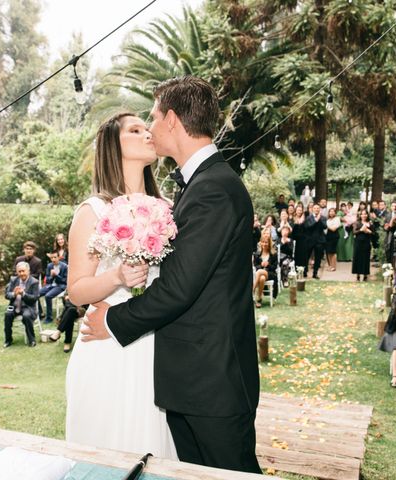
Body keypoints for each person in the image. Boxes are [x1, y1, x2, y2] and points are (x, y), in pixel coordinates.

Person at [81, 77, 261, 473]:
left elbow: (180, 287)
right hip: (192, 381)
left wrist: (111, 320)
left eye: (154, 116)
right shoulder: (199, 184)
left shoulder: (213, 188)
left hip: (214, 382)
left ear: (173, 121)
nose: (151, 126)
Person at [62, 111, 178, 460]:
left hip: (158, 347)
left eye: (148, 127)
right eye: (135, 130)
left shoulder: (169, 209)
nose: (147, 134)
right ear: (113, 145)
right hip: (107, 347)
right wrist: (116, 276)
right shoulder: (93, 211)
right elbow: (77, 290)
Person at [3, 261, 40, 348]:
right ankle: (8, 340)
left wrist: (23, 294)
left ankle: (32, 340)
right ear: (17, 272)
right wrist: (14, 294)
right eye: (19, 271)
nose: (21, 273)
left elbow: (35, 298)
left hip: (28, 306)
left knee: (27, 316)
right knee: (7, 314)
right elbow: (7, 295)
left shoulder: (34, 282)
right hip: (14, 305)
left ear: (28, 271)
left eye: (23, 271)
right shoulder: (13, 280)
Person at [39, 251, 68, 323]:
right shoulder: (49, 266)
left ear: (59, 257)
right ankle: (40, 314)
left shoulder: (64, 266)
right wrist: (51, 276)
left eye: (55, 257)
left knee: (48, 296)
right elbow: (48, 280)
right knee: (36, 294)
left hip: (60, 286)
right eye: (51, 258)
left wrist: (56, 275)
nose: (53, 259)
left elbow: (65, 281)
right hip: (50, 285)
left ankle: (49, 317)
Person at [253, 228, 278, 307]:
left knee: (260, 272)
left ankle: (251, 291)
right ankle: (259, 299)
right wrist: (261, 265)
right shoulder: (257, 254)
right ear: (260, 243)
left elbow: (274, 267)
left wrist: (267, 265)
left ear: (269, 243)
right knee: (262, 278)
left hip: (270, 274)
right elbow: (255, 266)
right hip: (260, 275)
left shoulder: (273, 254)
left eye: (266, 242)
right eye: (263, 242)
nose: (264, 244)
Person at [304, 204, 327, 279]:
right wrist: (315, 221)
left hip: (320, 241)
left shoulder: (323, 218)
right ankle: (304, 271)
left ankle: (315, 273)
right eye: (315, 208)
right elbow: (308, 227)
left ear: (319, 209)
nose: (316, 209)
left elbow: (324, 226)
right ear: (312, 209)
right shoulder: (308, 218)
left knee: (318, 258)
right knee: (306, 256)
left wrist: (319, 219)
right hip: (310, 240)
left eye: (318, 208)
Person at [352, 209, 374, 281]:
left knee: (366, 259)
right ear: (360, 215)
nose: (364, 215)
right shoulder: (357, 223)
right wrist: (361, 230)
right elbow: (354, 232)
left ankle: (365, 275)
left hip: (366, 243)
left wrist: (369, 231)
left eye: (365, 214)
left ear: (367, 215)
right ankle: (357, 275)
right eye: (362, 214)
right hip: (358, 243)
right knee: (357, 258)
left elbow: (374, 234)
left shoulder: (370, 223)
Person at [292, 203, 308, 270]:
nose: (299, 211)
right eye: (298, 210)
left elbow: (306, 229)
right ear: (295, 211)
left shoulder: (305, 219)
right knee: (296, 255)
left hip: (303, 240)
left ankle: (303, 270)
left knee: (303, 255)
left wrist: (301, 222)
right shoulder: (293, 219)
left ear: (302, 211)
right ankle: (296, 269)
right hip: (295, 239)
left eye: (300, 210)